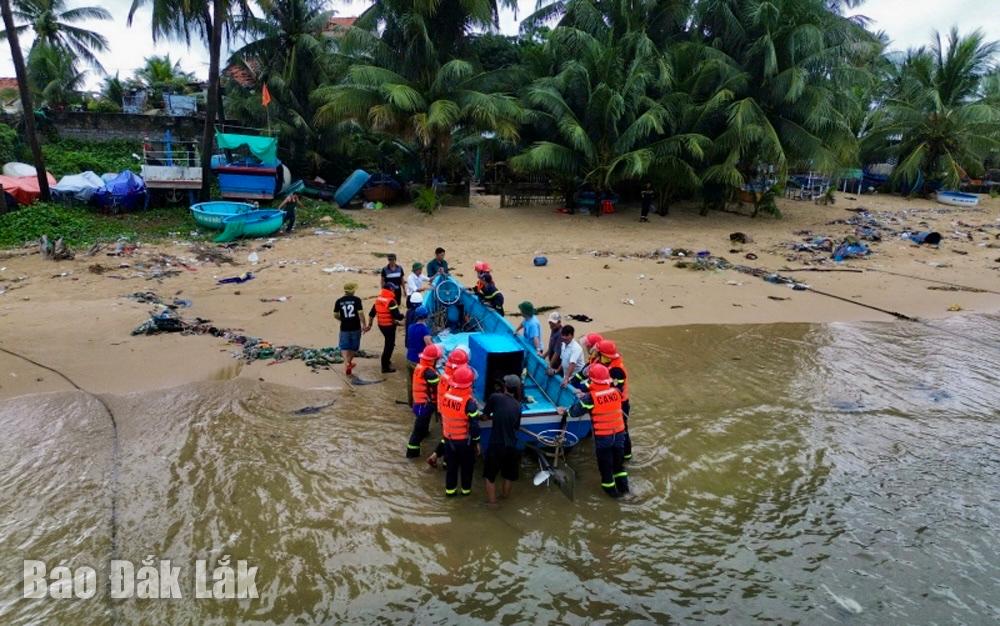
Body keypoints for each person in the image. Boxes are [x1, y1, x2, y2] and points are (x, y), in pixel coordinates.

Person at [558, 364, 628, 498]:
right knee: (619, 466)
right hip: (619, 435)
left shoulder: (590, 398)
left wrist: (564, 411)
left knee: (606, 467)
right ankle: (625, 491)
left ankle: (613, 496)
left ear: (591, 379)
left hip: (604, 438)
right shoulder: (616, 392)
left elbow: (575, 412)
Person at [440, 365, 481, 496]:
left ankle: (450, 494)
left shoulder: (446, 396)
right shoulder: (469, 403)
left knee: (451, 469)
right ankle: (465, 494)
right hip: (464, 442)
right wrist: (476, 443)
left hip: (448, 440)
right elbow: (474, 426)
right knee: (467, 468)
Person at [482, 374, 523, 506]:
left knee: (489, 477)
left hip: (496, 444)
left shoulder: (495, 397)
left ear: (505, 386)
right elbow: (516, 426)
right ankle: (505, 498)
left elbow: (484, 416)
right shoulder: (518, 406)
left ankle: (492, 504)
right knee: (508, 475)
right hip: (512, 446)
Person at [427, 348, 469, 469]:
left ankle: (436, 456)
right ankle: (446, 462)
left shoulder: (445, 375)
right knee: (451, 437)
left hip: (442, 410)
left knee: (447, 436)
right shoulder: (453, 380)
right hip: (450, 412)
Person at [595, 340, 633, 461]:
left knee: (623, 430)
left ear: (605, 356)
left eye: (599, 353)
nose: (597, 355)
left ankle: (626, 454)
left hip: (620, 404)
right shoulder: (608, 365)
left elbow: (615, 390)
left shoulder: (617, 370)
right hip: (615, 403)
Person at [407, 344, 443, 458]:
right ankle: (412, 454)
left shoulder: (420, 366)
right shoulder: (429, 372)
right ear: (433, 359)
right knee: (417, 432)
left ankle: (423, 437)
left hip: (420, 402)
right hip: (424, 404)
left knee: (422, 427)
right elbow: (438, 385)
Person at [366, 285, 404, 373]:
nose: (394, 290)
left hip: (381, 326)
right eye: (393, 289)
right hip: (389, 326)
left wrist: (370, 325)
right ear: (390, 289)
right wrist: (404, 316)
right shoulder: (391, 301)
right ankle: (385, 367)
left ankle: (387, 361)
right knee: (389, 346)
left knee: (389, 342)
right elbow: (397, 316)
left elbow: (371, 314)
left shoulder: (378, 299)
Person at [333, 282, 363, 376]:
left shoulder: (339, 301)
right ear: (353, 290)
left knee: (344, 346)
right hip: (355, 326)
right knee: (354, 346)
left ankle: (346, 363)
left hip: (344, 326)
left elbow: (335, 315)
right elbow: (360, 314)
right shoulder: (357, 300)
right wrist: (365, 324)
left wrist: (342, 319)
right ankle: (349, 363)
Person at [405, 305, 433, 405]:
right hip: (418, 361)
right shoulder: (424, 330)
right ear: (426, 316)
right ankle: (420, 404)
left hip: (408, 358)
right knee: (420, 384)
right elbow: (430, 346)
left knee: (410, 382)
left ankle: (410, 402)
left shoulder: (410, 327)